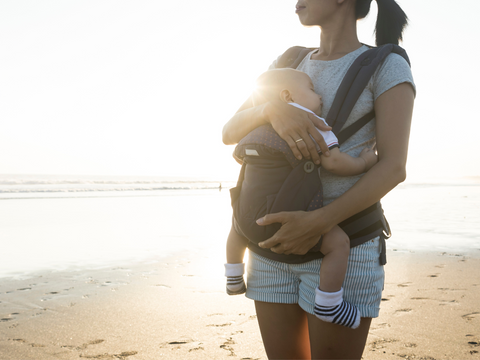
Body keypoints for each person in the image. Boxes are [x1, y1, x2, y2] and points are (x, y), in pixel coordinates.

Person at [222, 0, 415, 358]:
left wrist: (318, 222)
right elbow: (229, 131)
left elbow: (393, 167)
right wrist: (270, 109)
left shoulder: (387, 65)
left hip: (345, 245)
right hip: (271, 248)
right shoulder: (287, 62)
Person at [224, 68, 378, 331]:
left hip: (248, 219)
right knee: (338, 243)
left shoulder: (253, 126)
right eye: (311, 89)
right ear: (287, 95)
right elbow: (334, 162)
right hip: (286, 218)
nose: (319, 97)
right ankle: (329, 302)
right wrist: (364, 161)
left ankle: (233, 276)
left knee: (236, 228)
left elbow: (238, 153)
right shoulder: (313, 122)